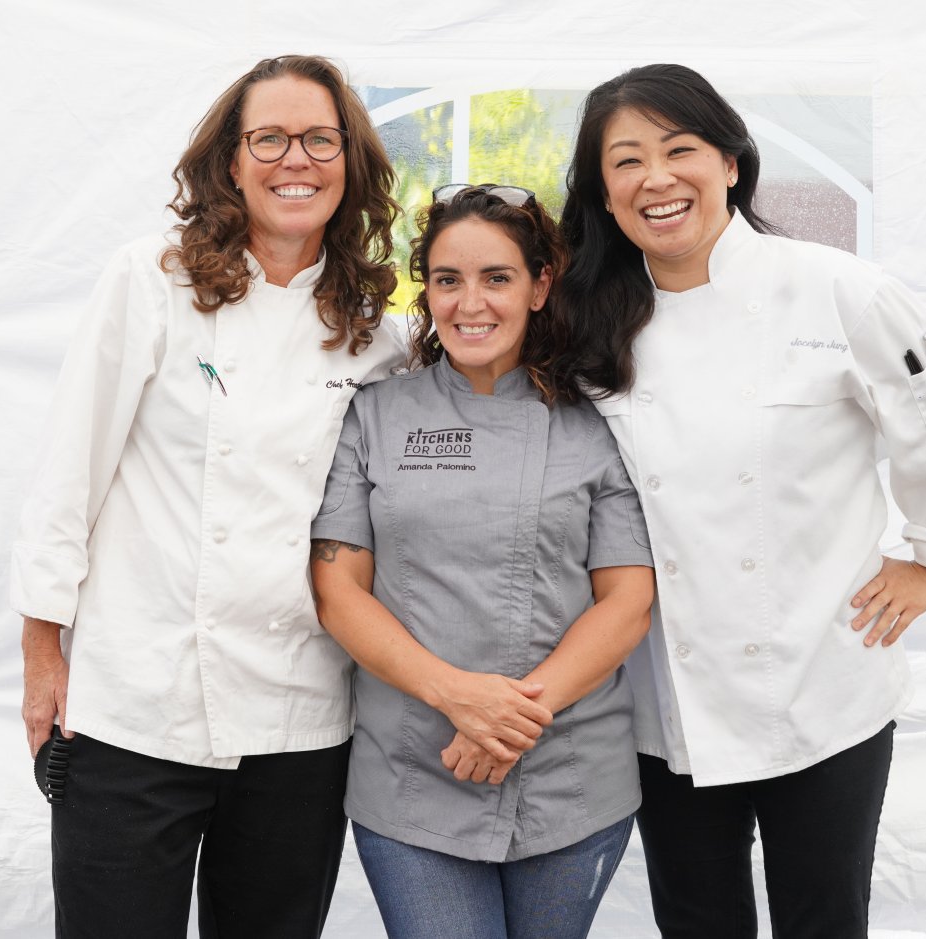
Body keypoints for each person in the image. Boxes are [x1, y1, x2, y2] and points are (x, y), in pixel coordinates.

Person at [557, 64, 926, 938]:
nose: (657, 178)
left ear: (730, 162)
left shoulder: (836, 289)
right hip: (666, 701)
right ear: (604, 194)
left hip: (821, 684)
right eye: (627, 161)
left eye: (680, 149)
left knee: (824, 918)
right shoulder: (587, 323)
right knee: (696, 921)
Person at [10, 54, 404, 938]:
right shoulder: (152, 282)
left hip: (300, 714)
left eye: (318, 139)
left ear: (351, 161)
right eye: (269, 138)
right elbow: (66, 476)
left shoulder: (379, 334)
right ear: (231, 161)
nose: (294, 159)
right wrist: (42, 656)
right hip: (132, 707)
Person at [310, 184, 656, 939]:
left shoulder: (597, 423)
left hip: (572, 779)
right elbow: (338, 589)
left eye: (497, 277)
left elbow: (627, 600)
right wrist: (460, 698)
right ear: (424, 289)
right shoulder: (375, 414)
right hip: (414, 773)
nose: (470, 302)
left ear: (539, 285)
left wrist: (509, 718)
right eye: (447, 279)